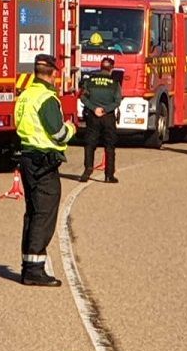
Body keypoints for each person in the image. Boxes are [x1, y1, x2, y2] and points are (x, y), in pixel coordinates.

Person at [12, 54, 76, 287]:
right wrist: (70, 128)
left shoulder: (25, 95)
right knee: (44, 213)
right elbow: (58, 133)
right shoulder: (47, 98)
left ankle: (28, 264)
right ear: (53, 73)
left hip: (28, 158)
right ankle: (35, 270)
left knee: (32, 213)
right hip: (43, 162)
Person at [79, 56, 121, 183]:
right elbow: (117, 101)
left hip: (93, 116)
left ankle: (87, 170)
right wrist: (105, 109)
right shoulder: (115, 83)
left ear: (100, 66)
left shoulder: (90, 80)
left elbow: (83, 97)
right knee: (110, 146)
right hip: (108, 117)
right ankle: (109, 175)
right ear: (111, 68)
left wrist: (94, 108)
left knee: (90, 144)